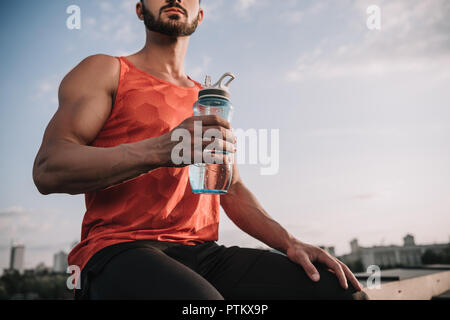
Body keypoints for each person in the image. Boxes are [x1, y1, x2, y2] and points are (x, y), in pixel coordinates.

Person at [32, 0, 368, 300]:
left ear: (200, 15)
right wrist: (161, 149)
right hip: (119, 249)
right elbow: (49, 168)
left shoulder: (207, 99)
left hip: (203, 254)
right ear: (139, 9)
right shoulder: (106, 70)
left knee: (339, 293)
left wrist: (289, 242)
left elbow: (231, 188)